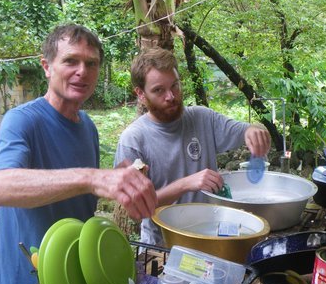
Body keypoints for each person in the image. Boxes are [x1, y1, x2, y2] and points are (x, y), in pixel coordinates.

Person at [0, 24, 157, 284]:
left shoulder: (87, 127)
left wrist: (113, 175)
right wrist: (94, 177)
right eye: (71, 61)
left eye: (92, 63)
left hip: (81, 283)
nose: (83, 71)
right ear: (47, 66)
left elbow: (77, 194)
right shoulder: (22, 120)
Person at [114, 47, 270, 246]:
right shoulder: (133, 140)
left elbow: (247, 130)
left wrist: (255, 130)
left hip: (211, 236)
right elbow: (133, 208)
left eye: (175, 86)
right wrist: (185, 184)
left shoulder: (202, 118)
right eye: (158, 90)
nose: (171, 96)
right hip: (164, 246)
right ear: (141, 94)